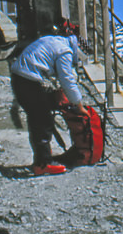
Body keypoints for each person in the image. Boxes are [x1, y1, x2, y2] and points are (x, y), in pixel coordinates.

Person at [8, 20, 87, 175]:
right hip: (28, 80)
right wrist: (79, 105)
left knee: (37, 116)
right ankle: (43, 163)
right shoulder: (65, 51)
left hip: (19, 77)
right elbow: (67, 80)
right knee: (43, 120)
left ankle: (42, 160)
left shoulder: (54, 40)